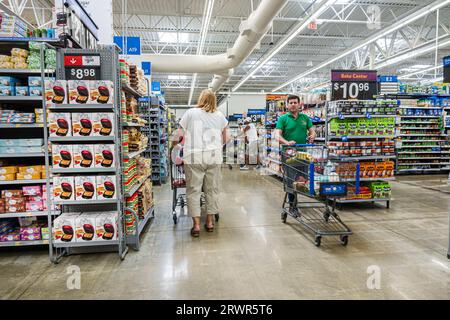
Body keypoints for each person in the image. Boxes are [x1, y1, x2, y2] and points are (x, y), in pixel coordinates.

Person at [178, 89, 229, 237]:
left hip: (193, 156)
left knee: (194, 190)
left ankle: (196, 226)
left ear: (200, 99)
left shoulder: (190, 113)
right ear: (214, 101)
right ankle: (210, 222)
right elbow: (227, 137)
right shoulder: (220, 116)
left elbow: (179, 135)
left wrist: (176, 147)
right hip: (214, 157)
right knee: (212, 190)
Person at [274, 94, 316, 210]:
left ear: (299, 104)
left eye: (295, 102)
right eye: (291, 103)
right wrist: (286, 142)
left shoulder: (305, 118)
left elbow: (312, 131)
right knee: (291, 179)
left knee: (303, 179)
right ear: (287, 105)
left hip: (303, 154)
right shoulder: (283, 118)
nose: (293, 105)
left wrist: (312, 136)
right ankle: (293, 205)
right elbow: (277, 135)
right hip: (288, 154)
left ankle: (295, 200)